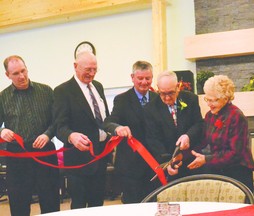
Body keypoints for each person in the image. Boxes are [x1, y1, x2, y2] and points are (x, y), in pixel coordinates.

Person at [0, 55, 60, 216]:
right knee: (19, 203)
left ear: (27, 68)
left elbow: (58, 120)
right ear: (7, 75)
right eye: (16, 74)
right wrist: (2, 131)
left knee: (51, 200)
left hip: (45, 151)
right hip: (17, 155)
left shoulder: (46, 91)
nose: (21, 76)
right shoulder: (2, 97)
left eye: (23, 71)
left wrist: (47, 135)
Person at [53, 51, 110, 209]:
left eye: (95, 69)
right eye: (88, 69)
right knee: (79, 205)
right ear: (75, 67)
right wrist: (71, 136)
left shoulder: (98, 86)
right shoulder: (62, 91)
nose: (92, 74)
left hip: (100, 156)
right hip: (78, 161)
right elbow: (60, 127)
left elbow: (105, 118)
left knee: (97, 204)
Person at [182, 75, 254, 192]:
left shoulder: (236, 116)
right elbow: (203, 142)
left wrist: (206, 159)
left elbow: (235, 153)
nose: (210, 104)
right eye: (208, 99)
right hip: (219, 171)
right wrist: (183, 156)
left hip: (238, 173)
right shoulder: (209, 115)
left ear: (226, 98)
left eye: (214, 100)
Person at [103, 61, 158, 203]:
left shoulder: (158, 98)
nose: (144, 82)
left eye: (148, 78)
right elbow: (108, 123)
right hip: (130, 168)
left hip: (154, 167)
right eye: (140, 78)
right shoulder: (121, 99)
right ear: (132, 77)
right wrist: (118, 128)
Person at [144, 71, 204, 181]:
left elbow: (199, 124)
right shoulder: (150, 109)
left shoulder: (191, 99)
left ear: (177, 87)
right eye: (162, 93)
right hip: (170, 165)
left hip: (192, 160)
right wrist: (168, 164)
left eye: (171, 93)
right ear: (158, 88)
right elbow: (153, 140)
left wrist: (188, 136)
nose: (167, 98)